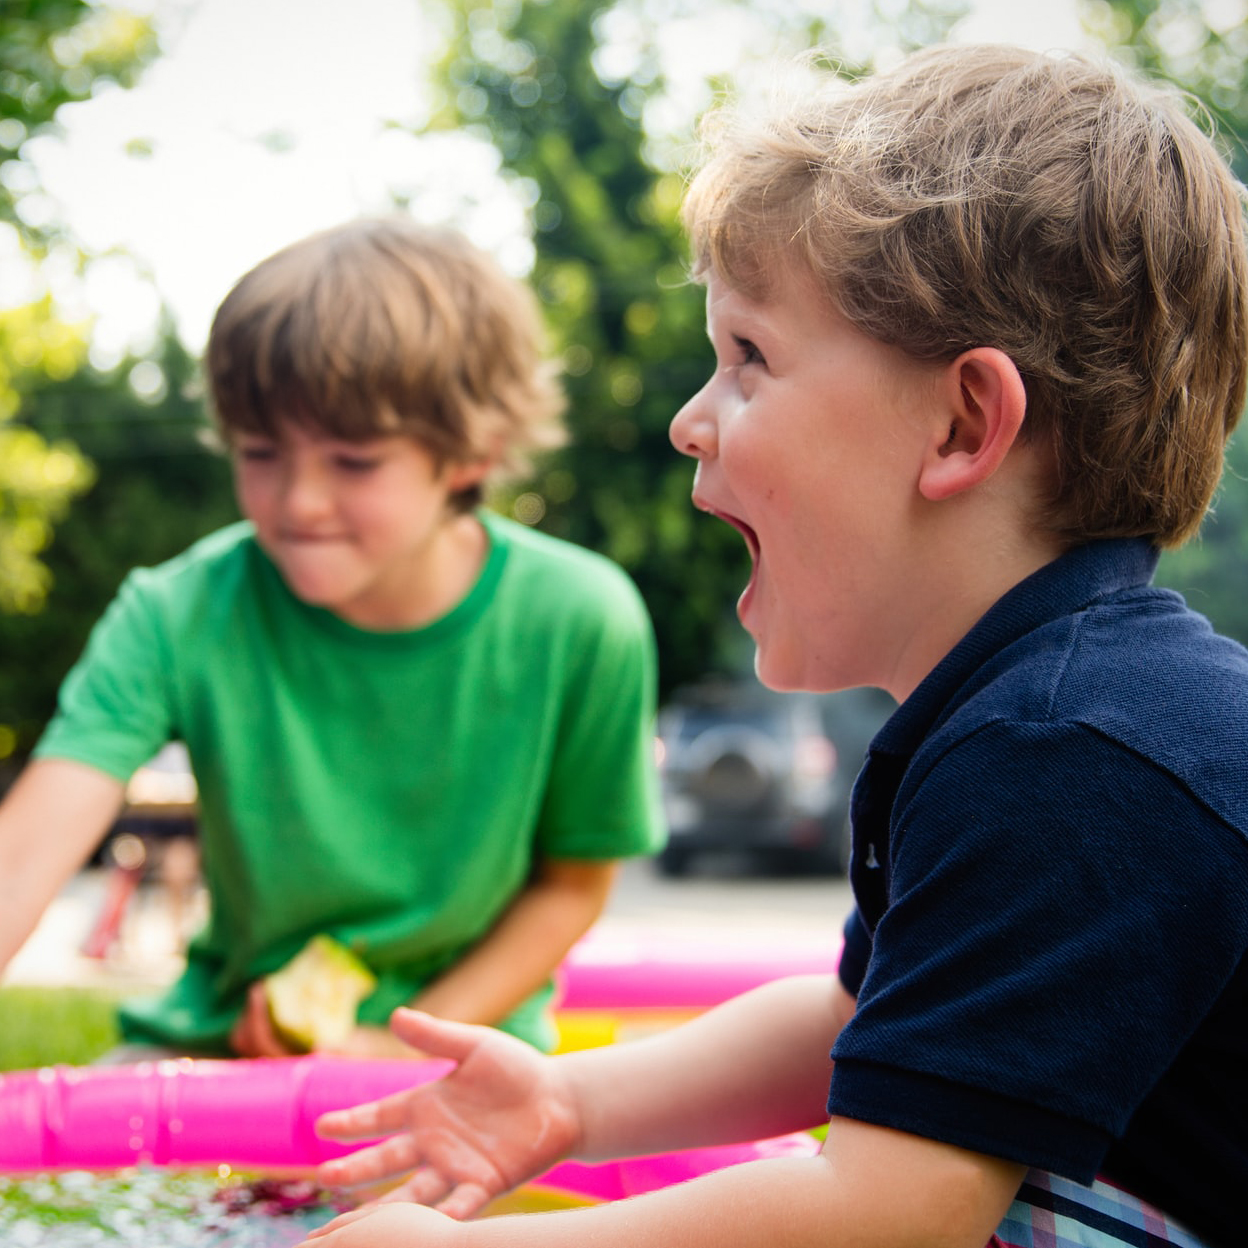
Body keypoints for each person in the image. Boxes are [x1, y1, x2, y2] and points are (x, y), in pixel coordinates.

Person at [295, 44, 1248, 1248]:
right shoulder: (1024, 716)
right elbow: (856, 1020)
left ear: (963, 424)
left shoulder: (1073, 754)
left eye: (748, 358)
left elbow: (891, 1212)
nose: (692, 419)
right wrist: (568, 1101)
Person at [0, 217, 665, 1060]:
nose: (298, 502)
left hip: (466, 1058)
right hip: (218, 1047)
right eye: (260, 452)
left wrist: (396, 1045)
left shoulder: (582, 618)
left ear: (472, 453)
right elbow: (22, 856)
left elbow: (571, 888)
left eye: (353, 462)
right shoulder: (175, 612)